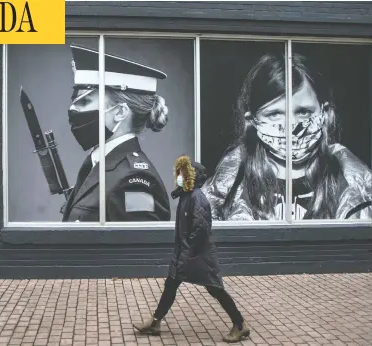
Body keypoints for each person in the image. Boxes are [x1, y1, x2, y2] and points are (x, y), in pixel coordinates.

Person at [202, 53, 372, 221]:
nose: (291, 127)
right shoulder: (225, 193)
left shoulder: (354, 189)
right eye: (274, 114)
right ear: (251, 121)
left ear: (325, 114)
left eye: (303, 112)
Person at [133, 155, 250, 343]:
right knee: (170, 285)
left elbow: (201, 230)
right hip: (186, 253)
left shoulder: (197, 198)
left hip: (199, 256)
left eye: (183, 173)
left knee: (215, 289)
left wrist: (186, 254)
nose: (179, 176)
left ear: (192, 177)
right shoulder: (186, 195)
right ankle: (155, 322)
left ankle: (239, 325)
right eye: (179, 172)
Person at [61, 44, 171, 222]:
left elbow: (136, 249)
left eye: (85, 100)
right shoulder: (98, 163)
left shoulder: (134, 180)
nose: (73, 108)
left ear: (120, 112)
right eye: (75, 100)